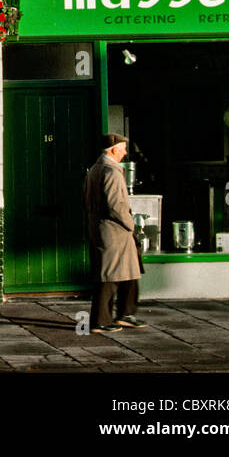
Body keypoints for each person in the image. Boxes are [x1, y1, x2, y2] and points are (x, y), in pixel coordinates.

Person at [83, 133, 148, 334]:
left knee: (129, 272)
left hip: (106, 228)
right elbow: (116, 205)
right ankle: (101, 321)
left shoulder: (94, 169)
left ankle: (126, 314)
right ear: (114, 150)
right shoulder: (111, 171)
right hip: (115, 230)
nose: (125, 152)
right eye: (123, 148)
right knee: (109, 276)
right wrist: (131, 224)